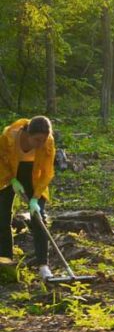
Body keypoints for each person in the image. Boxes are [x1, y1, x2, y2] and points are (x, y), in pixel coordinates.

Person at [0, 116, 55, 279]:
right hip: (7, 175)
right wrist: (12, 179)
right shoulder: (8, 137)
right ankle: (5, 260)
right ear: (28, 134)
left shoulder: (48, 142)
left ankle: (43, 265)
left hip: (34, 176)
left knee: (38, 217)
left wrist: (35, 198)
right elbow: (0, 161)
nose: (40, 144)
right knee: (2, 217)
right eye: (37, 140)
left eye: (43, 140)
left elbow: (46, 171)